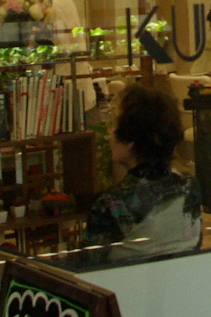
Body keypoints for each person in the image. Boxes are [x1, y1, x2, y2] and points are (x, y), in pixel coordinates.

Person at [79, 84, 202, 264]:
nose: (109, 134)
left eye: (113, 125)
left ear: (130, 138)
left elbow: (88, 267)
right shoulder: (189, 186)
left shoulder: (113, 203)